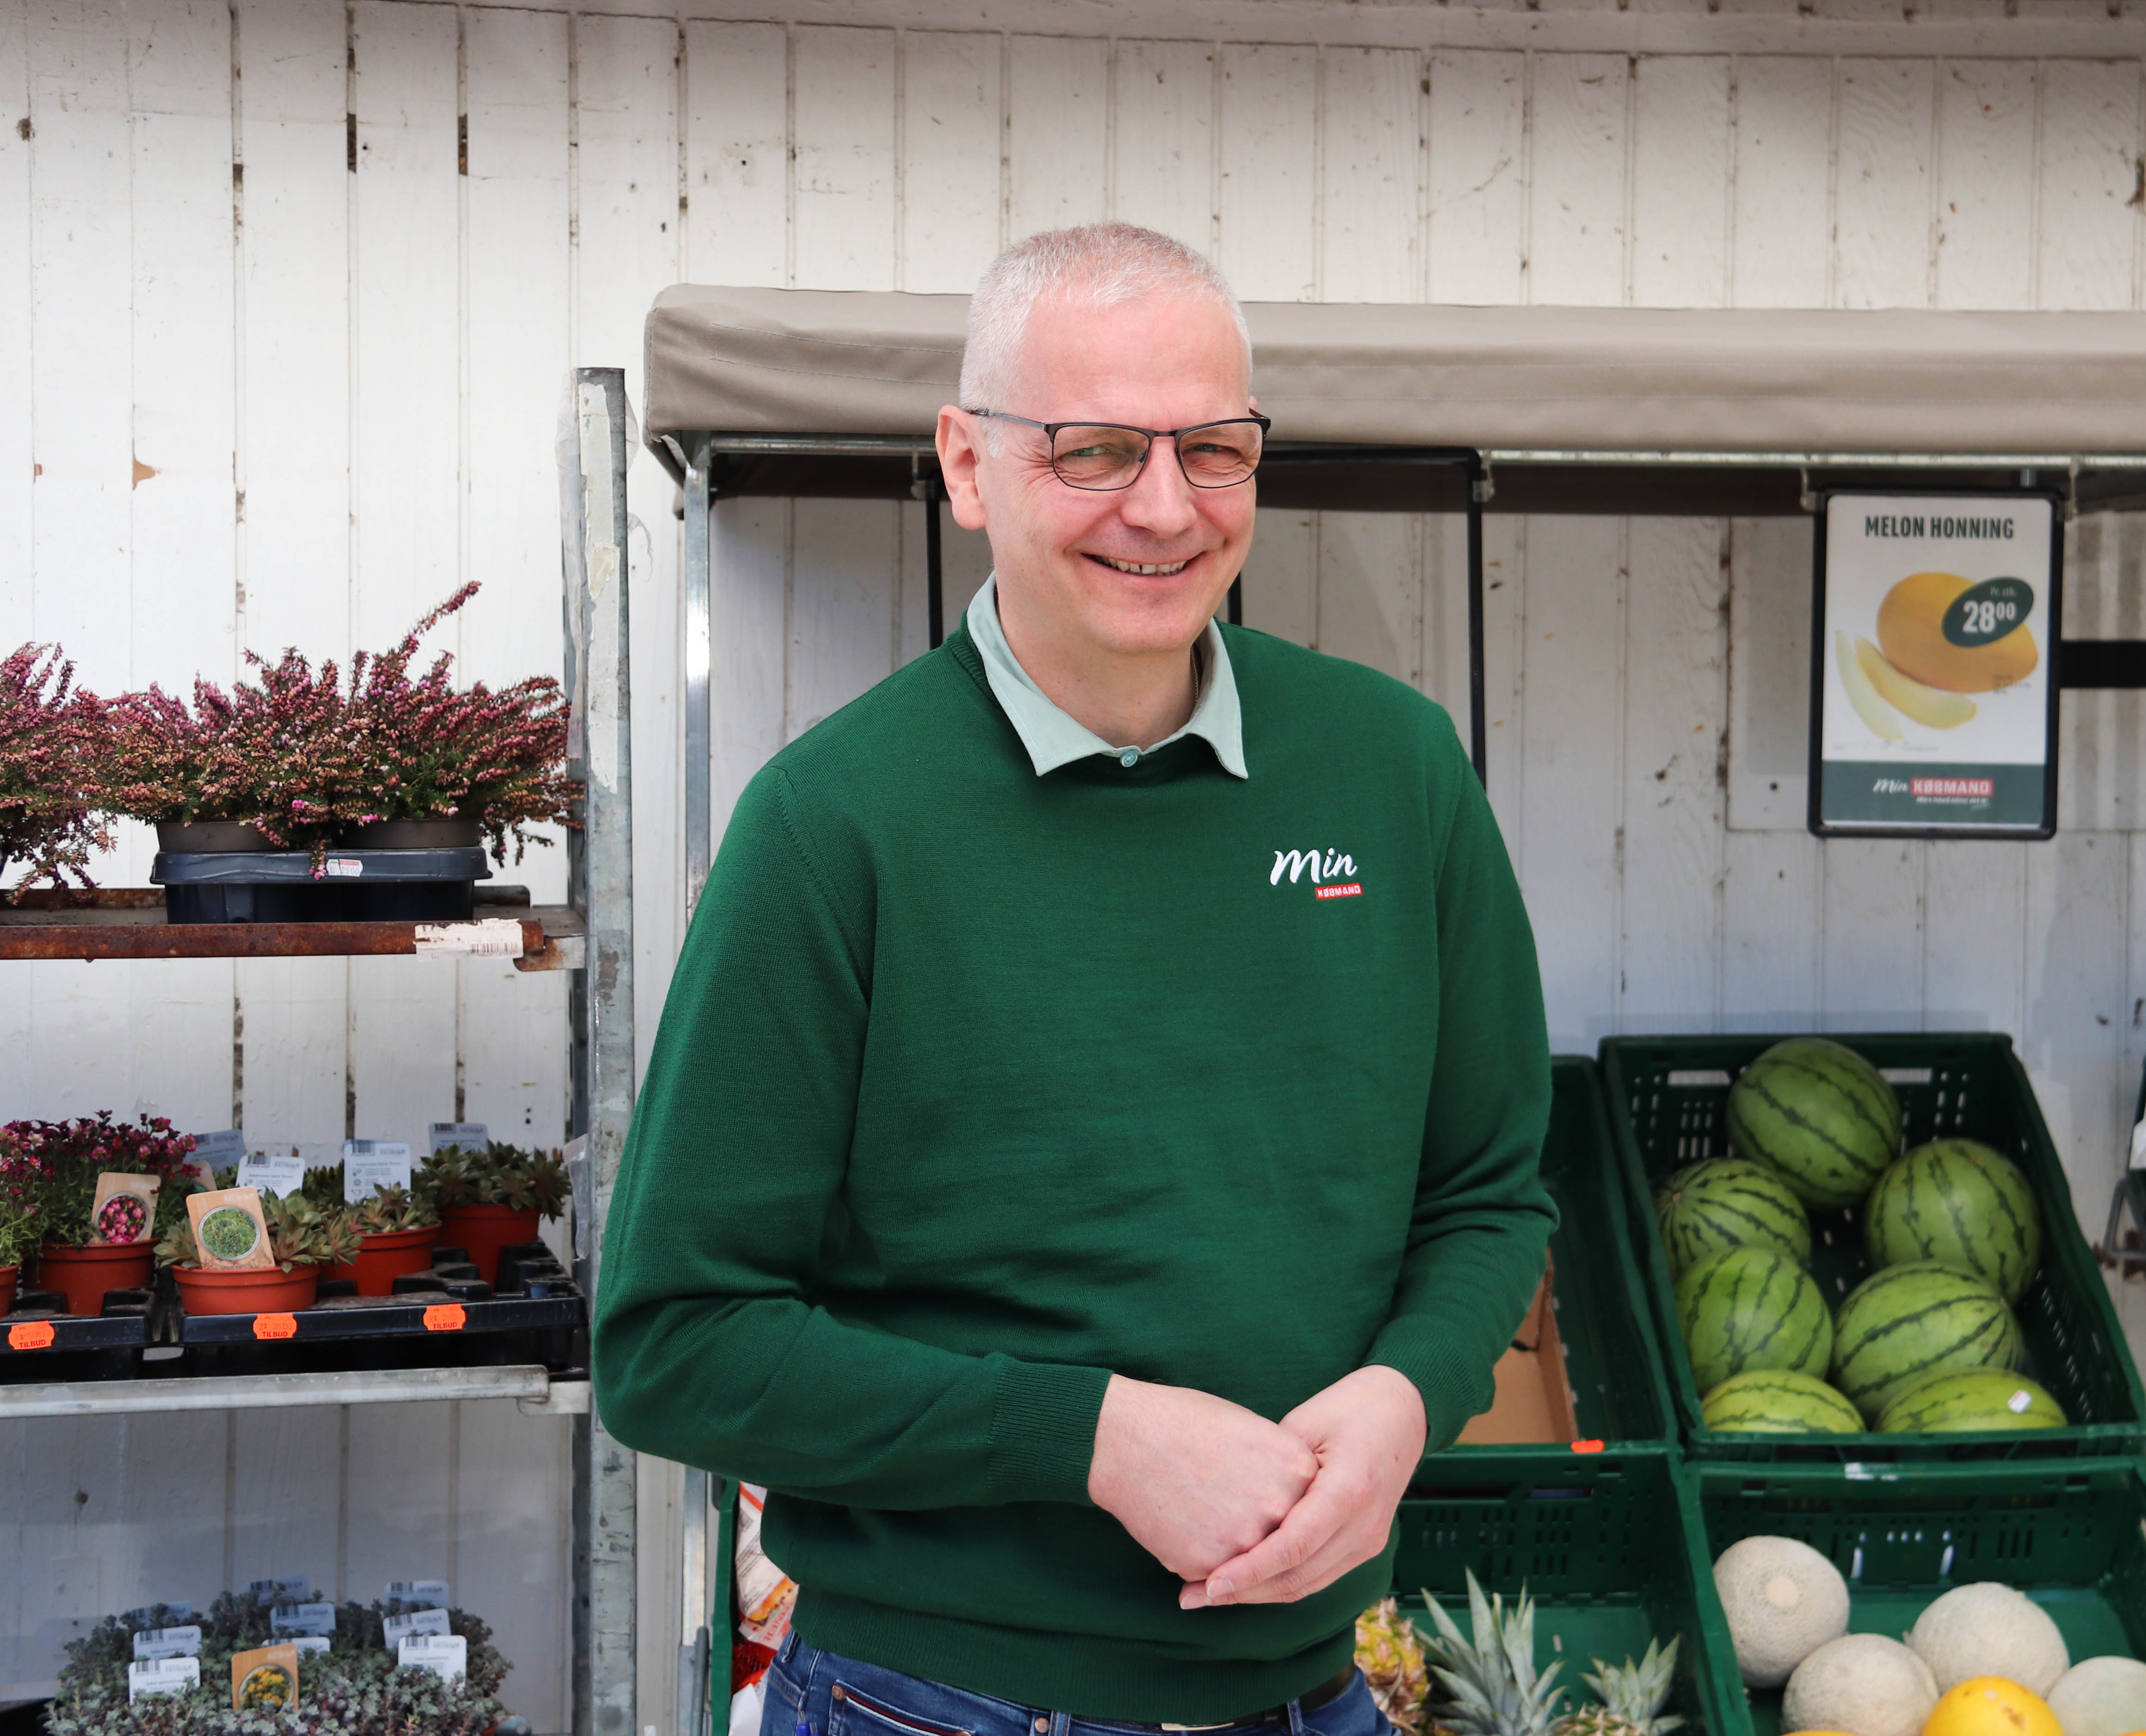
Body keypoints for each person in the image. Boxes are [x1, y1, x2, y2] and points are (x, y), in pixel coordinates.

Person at [594, 222, 1554, 1736]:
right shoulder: (835, 825)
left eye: (1213, 448)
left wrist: (1408, 1394)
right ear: (967, 465)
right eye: (1095, 450)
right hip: (943, 1703)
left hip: (1315, 1694)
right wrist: (1090, 1437)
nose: (1164, 508)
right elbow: (674, 1346)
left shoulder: (1398, 771)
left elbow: (1491, 1192)